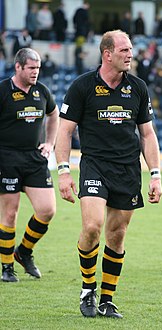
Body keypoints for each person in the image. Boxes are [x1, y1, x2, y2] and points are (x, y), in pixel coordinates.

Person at [55, 30, 162, 318]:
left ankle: (107, 299)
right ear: (107, 54)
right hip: (94, 166)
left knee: (116, 236)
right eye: (125, 50)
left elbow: (147, 135)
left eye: (131, 50)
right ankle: (88, 290)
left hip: (127, 170)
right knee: (92, 227)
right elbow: (64, 131)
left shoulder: (138, 88)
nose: (130, 54)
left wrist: (155, 175)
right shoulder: (82, 87)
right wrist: (64, 172)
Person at [0, 48, 59, 282]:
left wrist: (50, 143)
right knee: (10, 213)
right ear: (18, 67)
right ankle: (6, 267)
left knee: (47, 210)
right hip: (7, 158)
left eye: (38, 68)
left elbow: (54, 115)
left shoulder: (41, 91)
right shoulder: (3, 90)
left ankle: (23, 252)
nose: (36, 72)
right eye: (31, 68)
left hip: (34, 158)